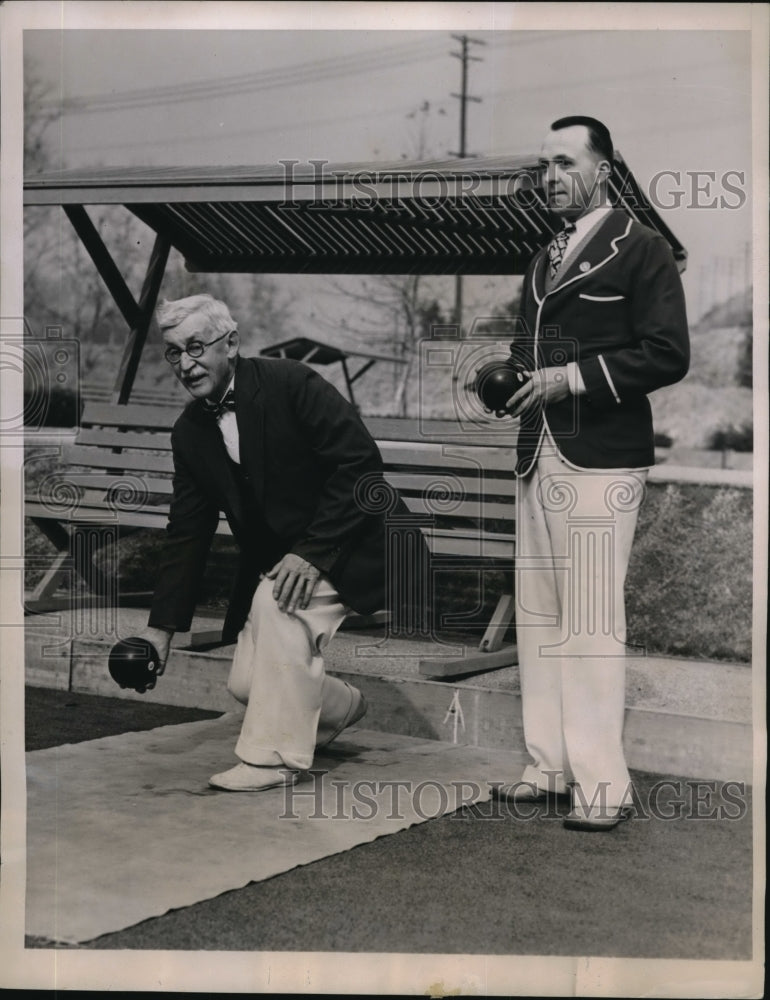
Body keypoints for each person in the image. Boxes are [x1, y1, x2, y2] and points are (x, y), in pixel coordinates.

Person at [142, 294, 421, 792]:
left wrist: (311, 554)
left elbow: (360, 466)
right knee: (247, 684)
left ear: (231, 343)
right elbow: (188, 530)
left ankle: (271, 761)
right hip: (287, 561)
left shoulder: (293, 383)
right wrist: (161, 630)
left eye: (196, 347)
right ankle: (339, 708)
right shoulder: (189, 432)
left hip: (362, 542)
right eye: (174, 352)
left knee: (277, 603)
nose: (185, 364)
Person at [499, 116, 690, 830]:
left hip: (601, 458)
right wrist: (512, 380)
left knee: (588, 619)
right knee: (542, 613)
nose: (550, 177)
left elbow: (668, 354)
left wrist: (569, 380)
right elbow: (531, 352)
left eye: (564, 162)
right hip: (537, 450)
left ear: (605, 168)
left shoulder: (642, 250)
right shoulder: (544, 255)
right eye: (543, 165)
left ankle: (603, 785)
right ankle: (548, 764)